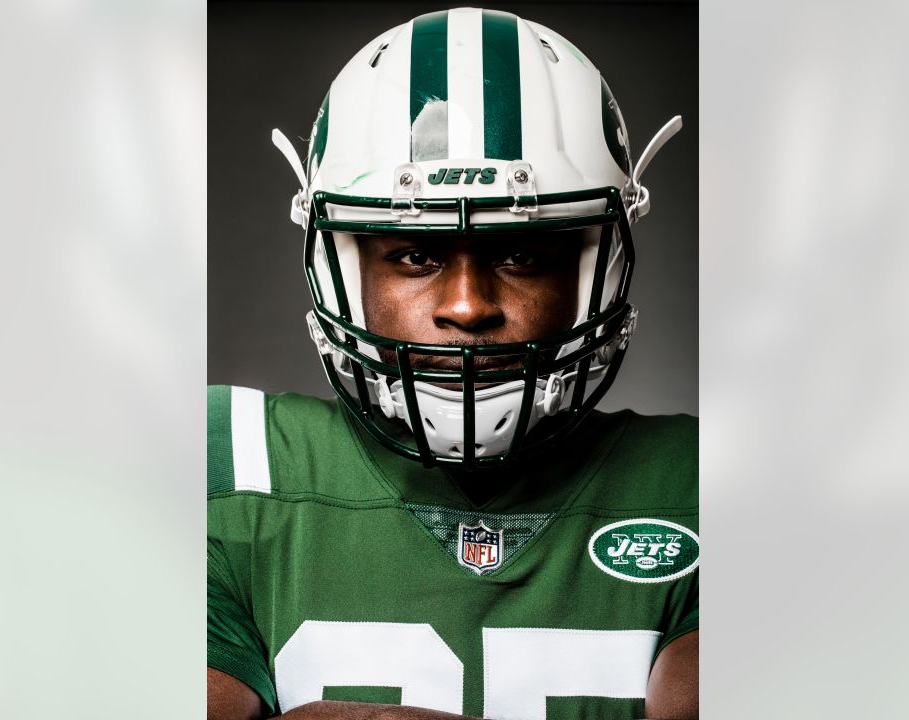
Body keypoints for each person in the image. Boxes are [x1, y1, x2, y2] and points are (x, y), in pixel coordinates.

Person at [208, 8, 697, 719]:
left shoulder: (704, 483)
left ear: (600, 266)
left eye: (522, 254)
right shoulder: (232, 466)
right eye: (415, 254)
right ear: (341, 265)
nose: (468, 307)